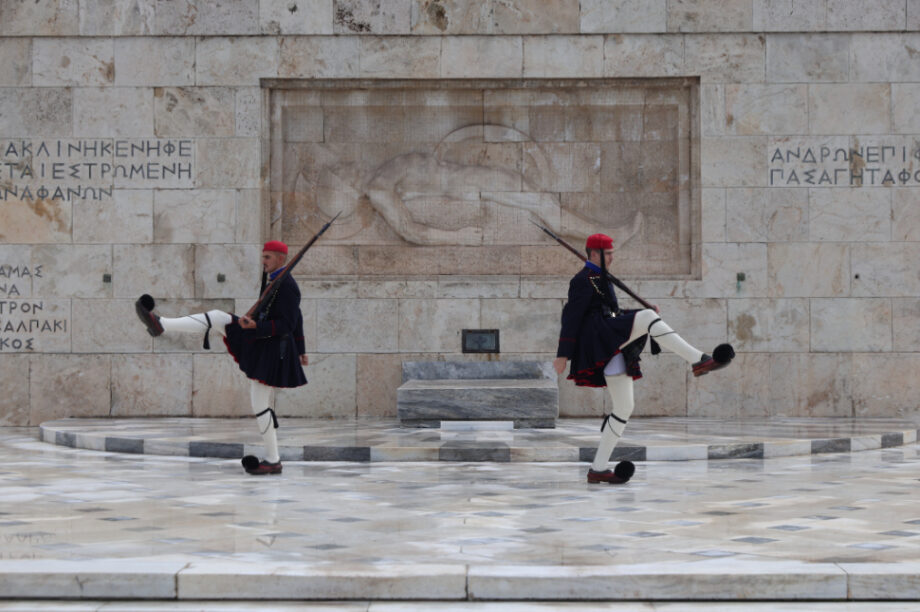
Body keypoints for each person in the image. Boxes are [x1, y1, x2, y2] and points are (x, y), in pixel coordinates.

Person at [553, 233, 734, 485]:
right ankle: (698, 360)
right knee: (648, 318)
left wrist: (642, 312)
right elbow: (571, 317)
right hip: (599, 338)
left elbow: (612, 311)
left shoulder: (597, 278)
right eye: (608, 254)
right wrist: (563, 354)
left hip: (610, 344)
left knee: (624, 408)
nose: (612, 257)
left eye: (612, 253)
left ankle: (598, 469)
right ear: (594, 254)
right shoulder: (583, 279)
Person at [134, 240, 308, 476]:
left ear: (280, 258)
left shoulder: (287, 285)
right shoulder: (276, 281)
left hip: (272, 349)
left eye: (267, 257)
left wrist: (257, 327)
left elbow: (289, 323)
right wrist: (302, 349)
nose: (263, 261)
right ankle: (162, 324)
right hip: (265, 342)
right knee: (218, 318)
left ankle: (273, 460)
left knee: (260, 404)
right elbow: (296, 317)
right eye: (263, 256)